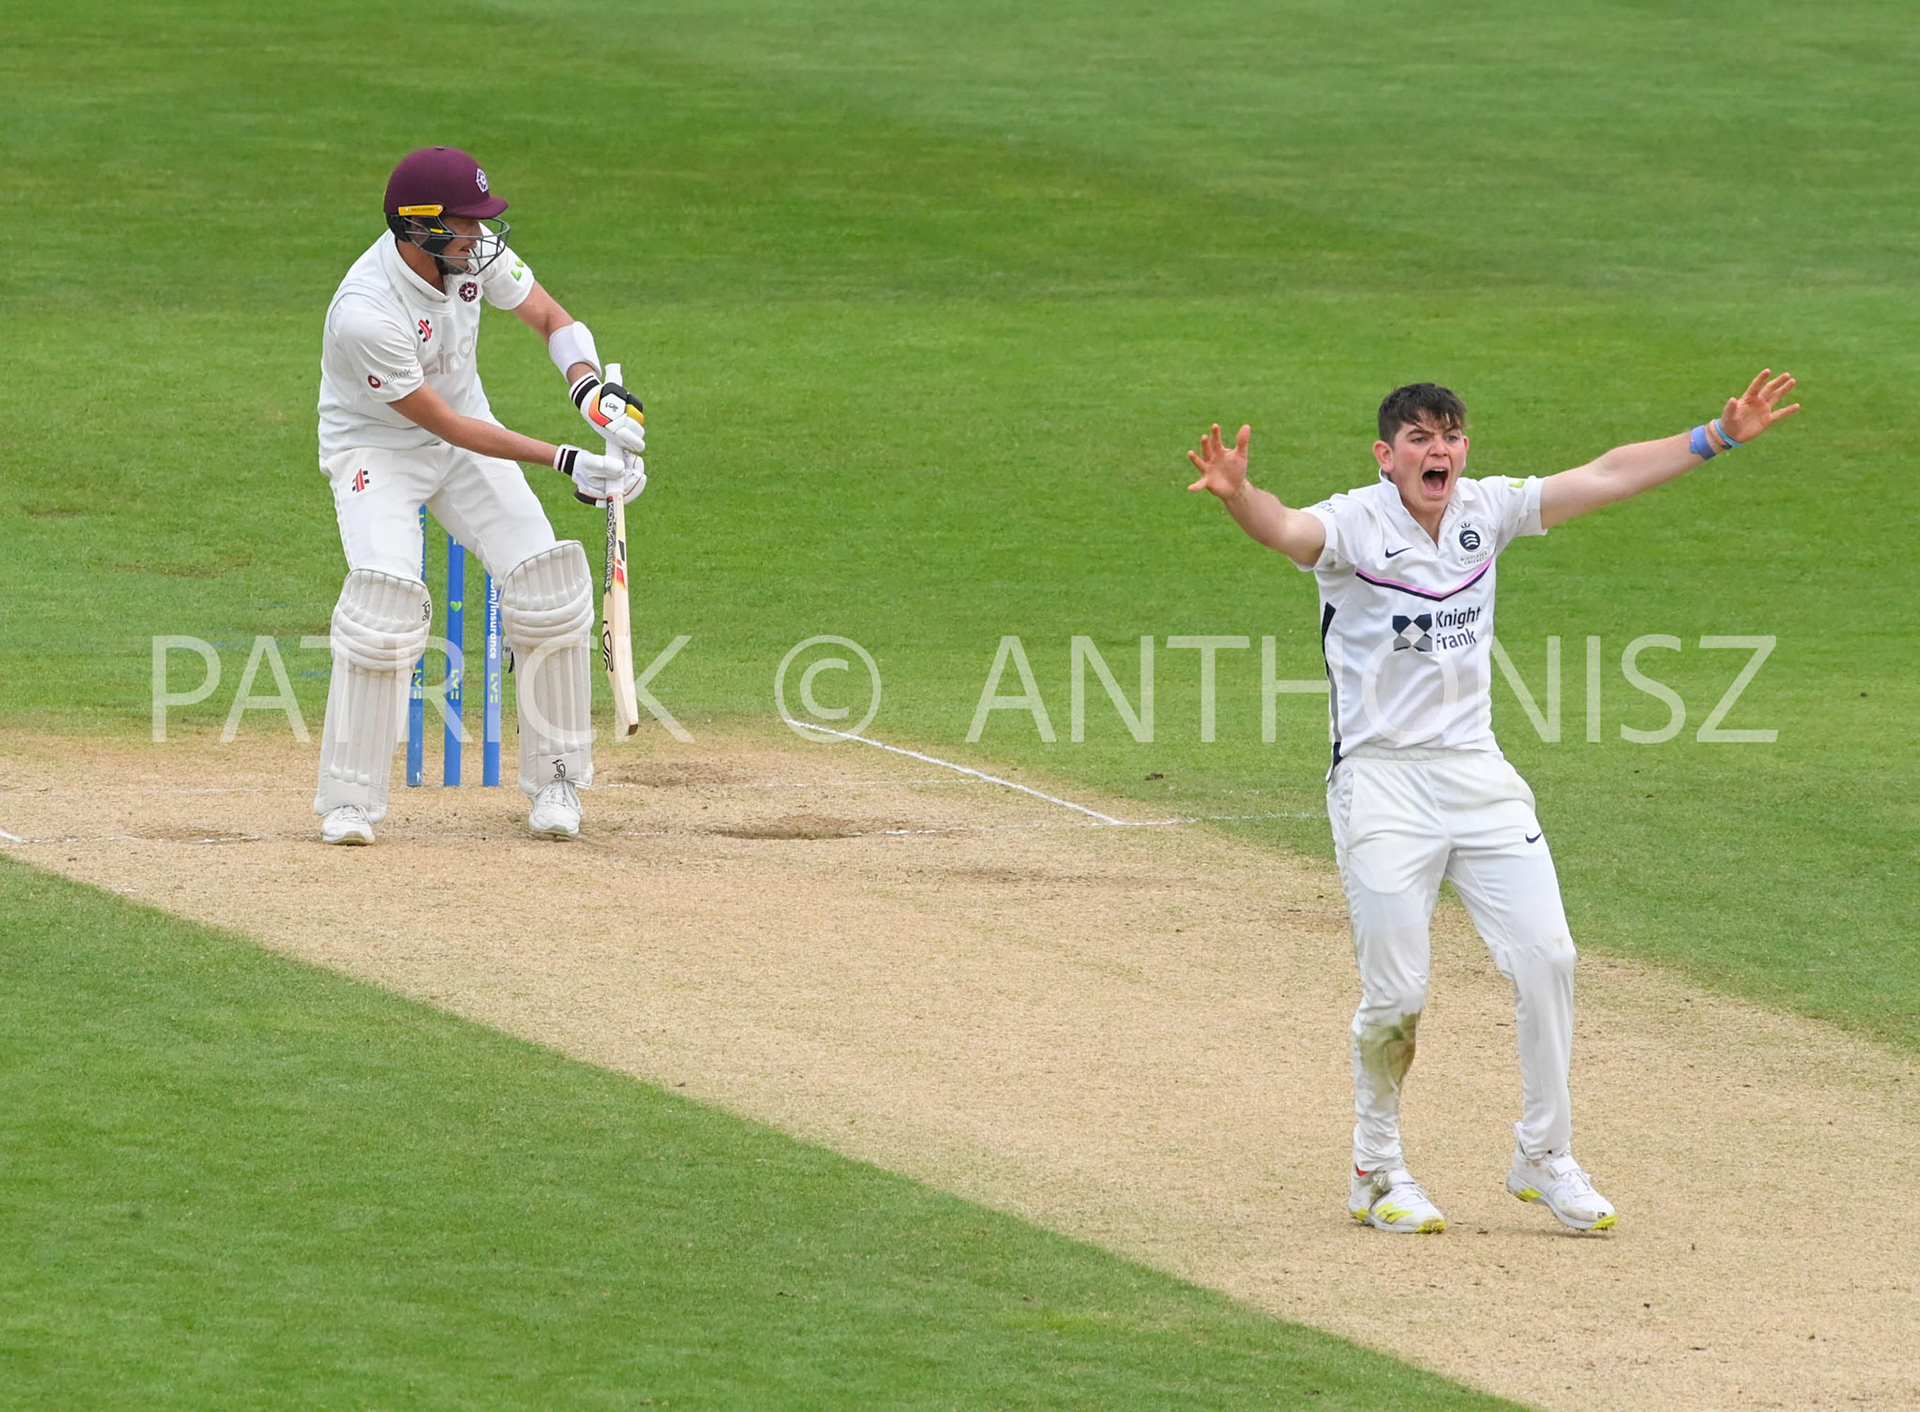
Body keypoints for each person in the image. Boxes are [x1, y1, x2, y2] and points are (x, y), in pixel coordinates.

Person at [1186, 372, 1800, 1233]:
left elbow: (1605, 475)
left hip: (1477, 772)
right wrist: (1240, 493)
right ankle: (1377, 1168)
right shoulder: (1355, 523)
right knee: (1397, 998)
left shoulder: (1488, 509)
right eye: (1419, 440)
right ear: (1386, 455)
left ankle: (1544, 1156)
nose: (1438, 452)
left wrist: (1715, 437)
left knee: (1549, 957)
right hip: (1382, 780)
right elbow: (1287, 528)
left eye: (1450, 437)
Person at [312, 145, 648, 846]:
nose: (480, 235)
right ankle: (349, 803)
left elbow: (554, 320)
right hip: (380, 448)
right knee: (385, 603)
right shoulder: (366, 312)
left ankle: (558, 781)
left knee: (549, 582)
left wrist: (589, 392)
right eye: (466, 224)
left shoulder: (475, 251)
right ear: (422, 230)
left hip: (467, 434)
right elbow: (445, 423)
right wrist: (567, 460)